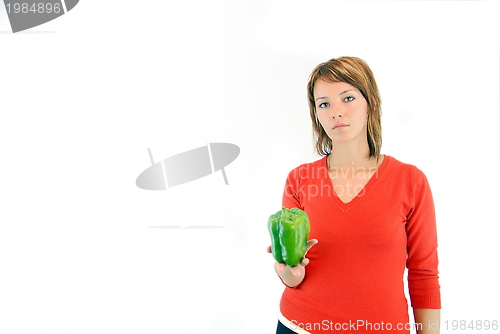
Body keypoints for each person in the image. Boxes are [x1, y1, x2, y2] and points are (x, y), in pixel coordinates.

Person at [267, 56, 441, 333]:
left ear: (370, 102)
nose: (336, 111)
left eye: (347, 98)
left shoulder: (410, 181)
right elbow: (292, 275)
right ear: (316, 114)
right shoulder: (299, 179)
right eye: (324, 103)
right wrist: (290, 272)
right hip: (299, 327)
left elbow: (423, 274)